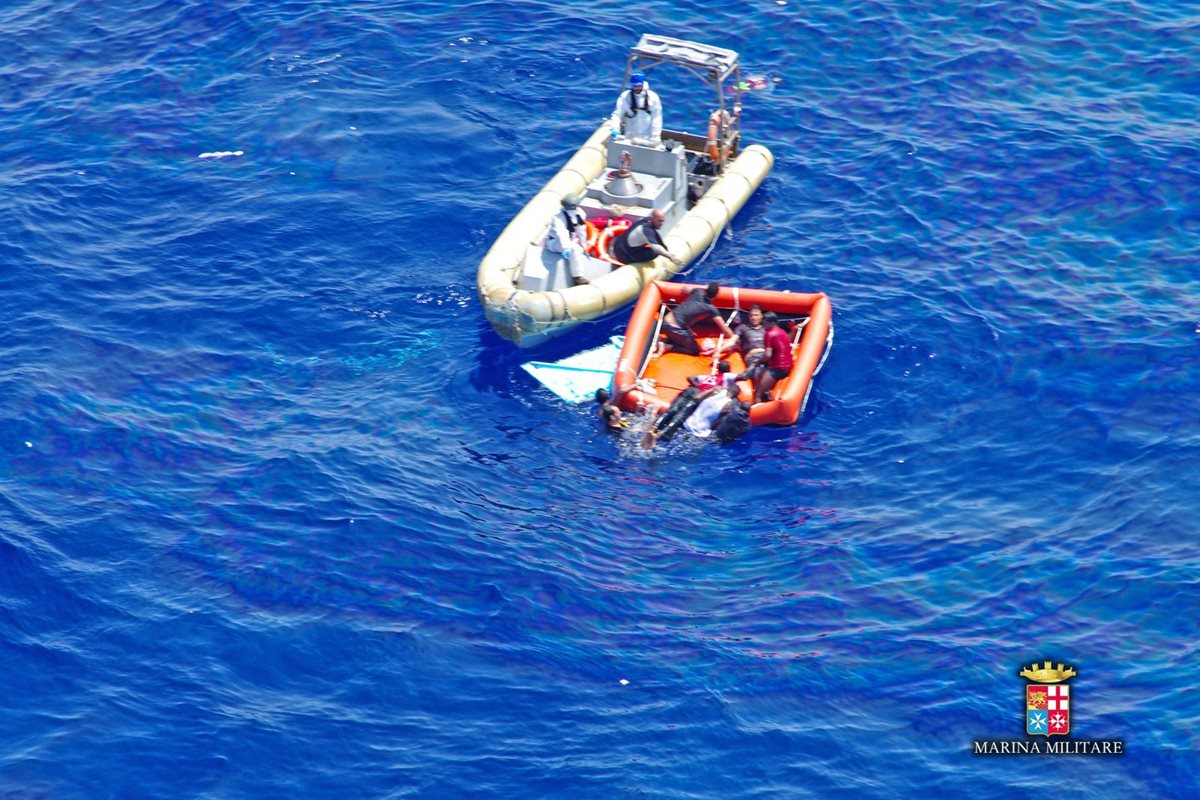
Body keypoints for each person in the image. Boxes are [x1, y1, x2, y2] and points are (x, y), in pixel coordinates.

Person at [658, 282, 734, 356]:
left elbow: (685, 289)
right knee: (694, 350)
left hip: (666, 321)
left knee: (685, 334)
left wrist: (703, 288)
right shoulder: (711, 308)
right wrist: (734, 338)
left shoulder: (698, 291)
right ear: (716, 295)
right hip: (675, 328)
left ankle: (665, 341)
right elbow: (725, 329)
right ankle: (667, 347)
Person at [609, 208, 682, 268]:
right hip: (623, 255)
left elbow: (656, 236)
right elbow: (656, 248)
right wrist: (671, 257)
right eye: (659, 221)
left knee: (656, 242)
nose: (661, 224)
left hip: (618, 246)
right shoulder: (646, 230)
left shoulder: (643, 220)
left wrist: (665, 248)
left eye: (663, 221)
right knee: (654, 253)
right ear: (653, 218)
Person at [544, 193, 591, 286]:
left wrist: (584, 246)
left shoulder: (580, 214)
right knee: (574, 250)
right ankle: (578, 277)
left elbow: (581, 230)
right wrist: (566, 248)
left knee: (579, 250)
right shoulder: (558, 218)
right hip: (555, 242)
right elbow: (562, 234)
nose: (572, 209)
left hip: (570, 240)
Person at [609, 71, 662, 144]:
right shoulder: (625, 97)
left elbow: (656, 118)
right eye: (634, 86)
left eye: (638, 85)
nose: (636, 88)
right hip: (629, 137)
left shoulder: (653, 97)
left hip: (647, 138)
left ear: (643, 83)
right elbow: (617, 114)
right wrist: (615, 127)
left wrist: (655, 135)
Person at [756, 311, 794, 402]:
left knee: (757, 394)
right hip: (788, 367)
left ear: (768, 322)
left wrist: (759, 361)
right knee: (761, 375)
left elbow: (768, 355)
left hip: (777, 368)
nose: (762, 324)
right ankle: (767, 393)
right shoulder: (782, 332)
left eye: (763, 322)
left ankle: (757, 407)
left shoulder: (769, 334)